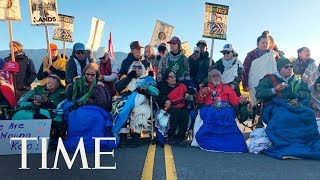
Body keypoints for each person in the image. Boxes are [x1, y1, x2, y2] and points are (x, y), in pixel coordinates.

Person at [255, 58, 320, 160]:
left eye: (291, 66)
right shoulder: (269, 78)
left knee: (308, 113)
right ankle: (285, 142)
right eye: (286, 67)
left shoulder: (297, 80)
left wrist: (297, 94)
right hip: (274, 106)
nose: (289, 69)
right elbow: (259, 93)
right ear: (280, 68)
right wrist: (274, 90)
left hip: (294, 106)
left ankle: (305, 140)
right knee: (284, 115)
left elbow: (307, 93)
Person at [191, 69, 248, 152]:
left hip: (225, 110)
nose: (216, 77)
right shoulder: (205, 89)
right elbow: (198, 101)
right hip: (210, 110)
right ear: (209, 78)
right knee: (212, 113)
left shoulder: (227, 88)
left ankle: (230, 141)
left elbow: (235, 101)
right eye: (213, 76)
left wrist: (241, 99)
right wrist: (201, 94)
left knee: (227, 113)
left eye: (218, 75)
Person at [63, 63, 115, 152]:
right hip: (80, 108)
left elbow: (103, 103)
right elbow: (69, 97)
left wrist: (93, 98)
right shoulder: (78, 83)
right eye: (87, 74)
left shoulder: (99, 85)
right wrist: (72, 84)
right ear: (84, 74)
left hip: (96, 109)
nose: (90, 76)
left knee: (97, 118)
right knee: (74, 115)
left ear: (96, 75)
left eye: (92, 74)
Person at [112, 61, 158, 148]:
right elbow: (118, 87)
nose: (137, 69)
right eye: (134, 67)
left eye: (139, 67)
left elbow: (154, 92)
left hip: (143, 102)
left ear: (143, 69)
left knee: (141, 111)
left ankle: (136, 135)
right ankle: (123, 136)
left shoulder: (148, 79)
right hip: (127, 102)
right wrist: (129, 77)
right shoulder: (127, 78)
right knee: (122, 109)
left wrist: (144, 90)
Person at [156, 70, 195, 147]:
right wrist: (166, 100)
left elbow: (192, 90)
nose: (174, 78)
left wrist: (188, 92)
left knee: (184, 115)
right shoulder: (163, 87)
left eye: (174, 76)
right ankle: (171, 137)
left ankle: (180, 138)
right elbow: (161, 96)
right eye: (171, 77)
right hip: (169, 107)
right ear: (167, 79)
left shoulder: (181, 85)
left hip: (181, 106)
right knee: (177, 112)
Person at [242, 31, 279, 105]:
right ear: (258, 44)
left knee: (267, 99)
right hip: (254, 80)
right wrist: (245, 85)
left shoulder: (272, 54)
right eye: (262, 43)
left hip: (268, 81)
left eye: (266, 43)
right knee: (255, 100)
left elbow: (279, 66)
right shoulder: (251, 55)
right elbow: (245, 70)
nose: (265, 44)